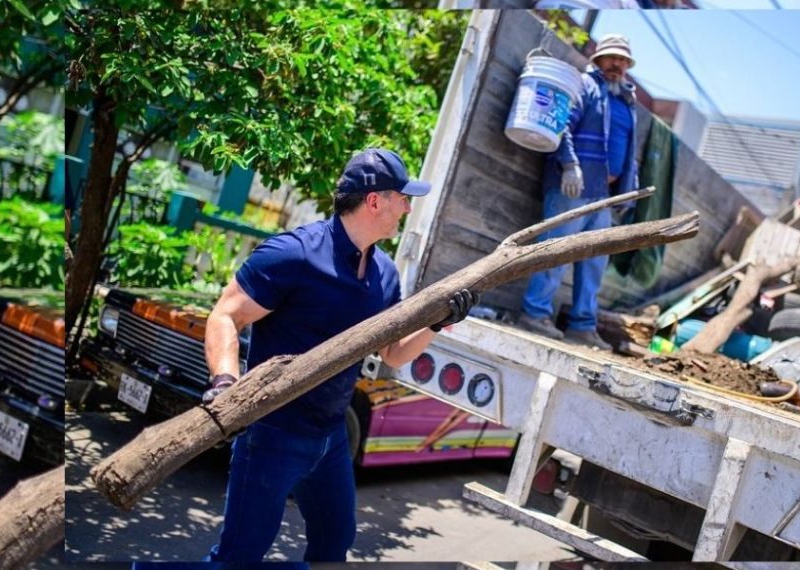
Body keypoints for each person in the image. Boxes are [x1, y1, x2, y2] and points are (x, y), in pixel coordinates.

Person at [200, 148, 478, 562]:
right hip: (272, 434)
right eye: (402, 197)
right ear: (374, 201)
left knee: (334, 544)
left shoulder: (384, 274)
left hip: (330, 437)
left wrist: (436, 323)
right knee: (239, 556)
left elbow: (395, 353)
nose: (406, 207)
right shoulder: (294, 254)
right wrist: (225, 382)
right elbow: (225, 315)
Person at [517, 34, 638, 350]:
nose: (618, 65)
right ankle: (534, 314)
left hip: (605, 196)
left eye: (623, 60)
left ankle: (582, 326)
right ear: (598, 58)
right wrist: (570, 164)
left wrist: (629, 187)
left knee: (593, 264)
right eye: (612, 57)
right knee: (555, 251)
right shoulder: (585, 86)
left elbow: (629, 150)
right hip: (574, 186)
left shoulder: (626, 100)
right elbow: (562, 124)